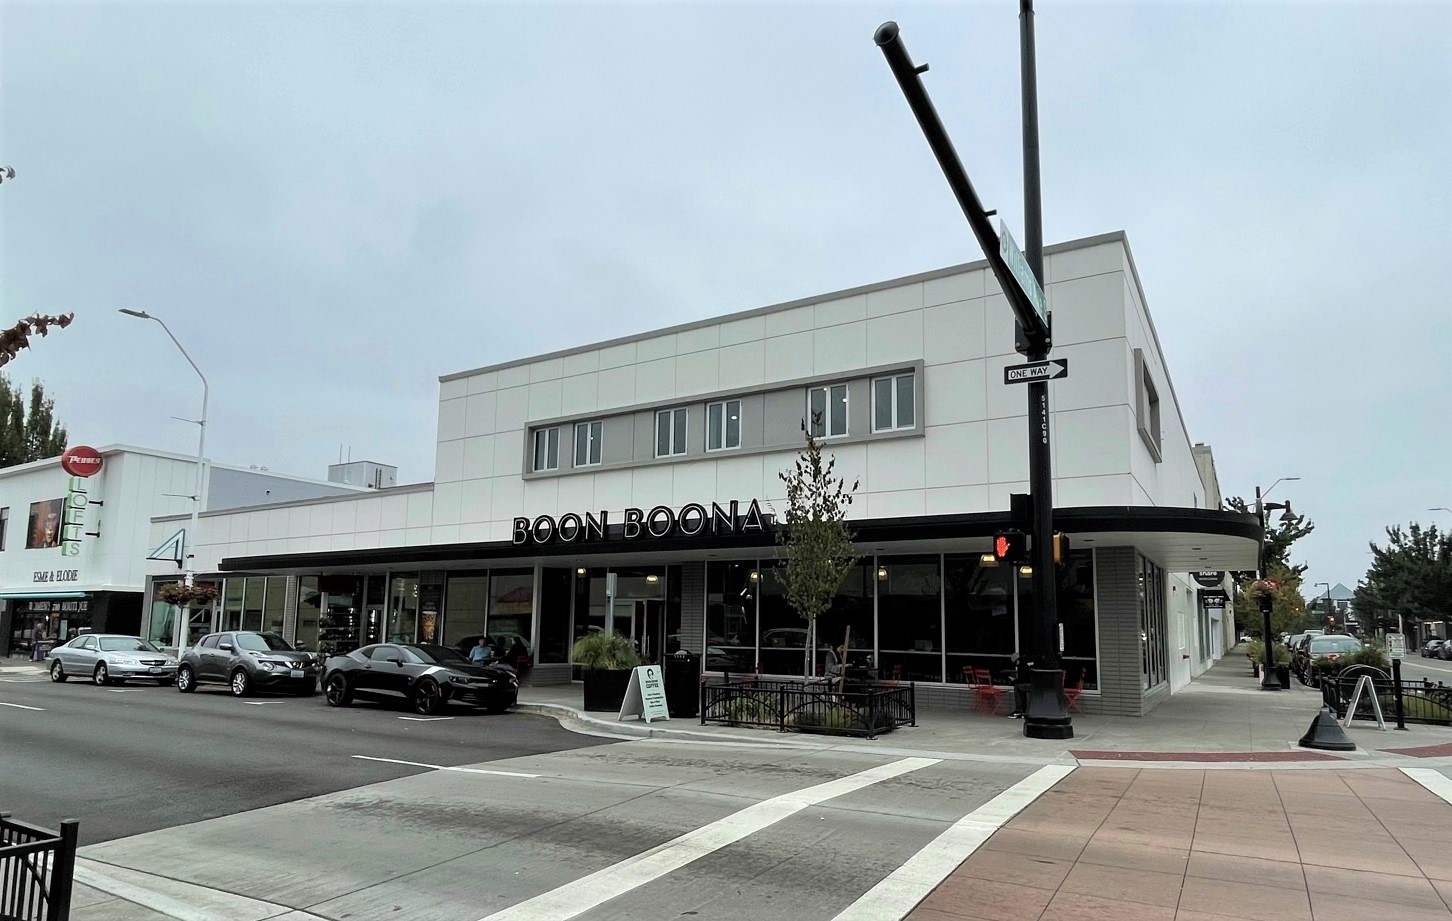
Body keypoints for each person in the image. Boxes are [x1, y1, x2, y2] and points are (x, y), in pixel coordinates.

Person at [1010, 653, 1036, 718]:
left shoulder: (1021, 664)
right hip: (1036, 683)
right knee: (1023, 687)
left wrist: (1013, 681)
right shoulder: (1029, 660)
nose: (1016, 665)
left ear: (1017, 661)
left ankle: (1019, 710)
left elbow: (1022, 679)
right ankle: (1025, 710)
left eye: (1015, 664)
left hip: (1029, 684)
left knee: (1017, 687)